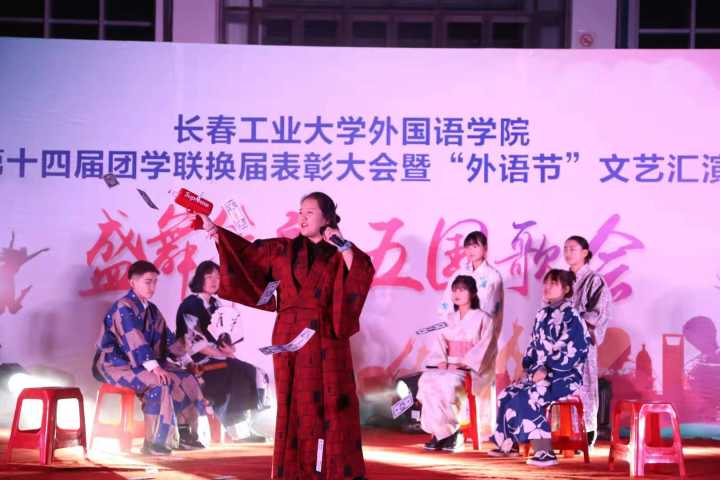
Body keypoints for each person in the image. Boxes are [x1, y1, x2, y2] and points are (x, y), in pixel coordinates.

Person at [194, 192, 375, 480]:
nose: (301, 217)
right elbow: (246, 257)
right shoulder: (282, 249)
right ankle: (294, 471)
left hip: (325, 338)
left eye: (309, 212)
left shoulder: (340, 253)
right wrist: (216, 231)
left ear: (327, 218)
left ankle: (329, 472)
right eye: (300, 212)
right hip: (289, 338)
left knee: (329, 406)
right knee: (295, 405)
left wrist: (342, 244)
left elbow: (361, 272)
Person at [92, 260, 207, 455]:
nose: (152, 287)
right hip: (114, 365)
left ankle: (184, 434)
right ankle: (153, 442)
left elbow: (168, 340)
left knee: (186, 378)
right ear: (132, 283)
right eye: (148, 282)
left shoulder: (152, 310)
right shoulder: (123, 307)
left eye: (155, 282)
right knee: (159, 382)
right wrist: (155, 368)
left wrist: (188, 359)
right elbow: (134, 341)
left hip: (141, 364)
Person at [489, 269, 590, 467]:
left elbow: (574, 349)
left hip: (564, 376)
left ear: (566, 289)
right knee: (507, 394)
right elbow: (533, 345)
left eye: (553, 283)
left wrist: (547, 369)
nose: (547, 287)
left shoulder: (572, 316)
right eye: (546, 283)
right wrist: (526, 368)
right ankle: (508, 444)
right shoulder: (542, 314)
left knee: (529, 396)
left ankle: (544, 451)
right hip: (539, 373)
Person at [175, 260, 269, 442]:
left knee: (253, 372)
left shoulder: (217, 305)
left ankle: (244, 429)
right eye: (209, 277)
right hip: (197, 362)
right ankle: (237, 431)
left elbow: (226, 337)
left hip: (219, 360)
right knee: (237, 372)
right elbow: (194, 344)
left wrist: (229, 348)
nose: (214, 281)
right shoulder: (189, 305)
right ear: (200, 279)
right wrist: (223, 354)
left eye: (217, 277)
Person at [417, 275, 495, 453]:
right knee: (426, 382)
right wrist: (441, 361)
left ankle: (455, 433)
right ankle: (442, 434)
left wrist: (464, 364)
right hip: (448, 366)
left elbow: (486, 347)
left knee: (448, 384)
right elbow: (438, 344)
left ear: (473, 293)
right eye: (454, 290)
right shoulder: (447, 318)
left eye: (462, 289)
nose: (457, 293)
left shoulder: (484, 319)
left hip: (469, 369)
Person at [438, 231, 504, 437]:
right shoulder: (458, 275)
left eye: (475, 246)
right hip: (457, 338)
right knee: (448, 382)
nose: (471, 251)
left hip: (480, 338)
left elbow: (493, 311)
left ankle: (481, 429)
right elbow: (446, 306)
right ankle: (452, 428)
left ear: (485, 249)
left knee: (480, 383)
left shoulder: (493, 277)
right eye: (467, 247)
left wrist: (478, 330)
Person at [564, 235, 611, 446]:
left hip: (581, 343)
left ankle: (586, 432)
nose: (567, 252)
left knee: (583, 385)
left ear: (584, 253)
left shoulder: (594, 280)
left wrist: (573, 320)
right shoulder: (561, 279)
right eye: (565, 248)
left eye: (572, 249)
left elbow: (599, 313)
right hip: (560, 345)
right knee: (563, 387)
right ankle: (563, 433)